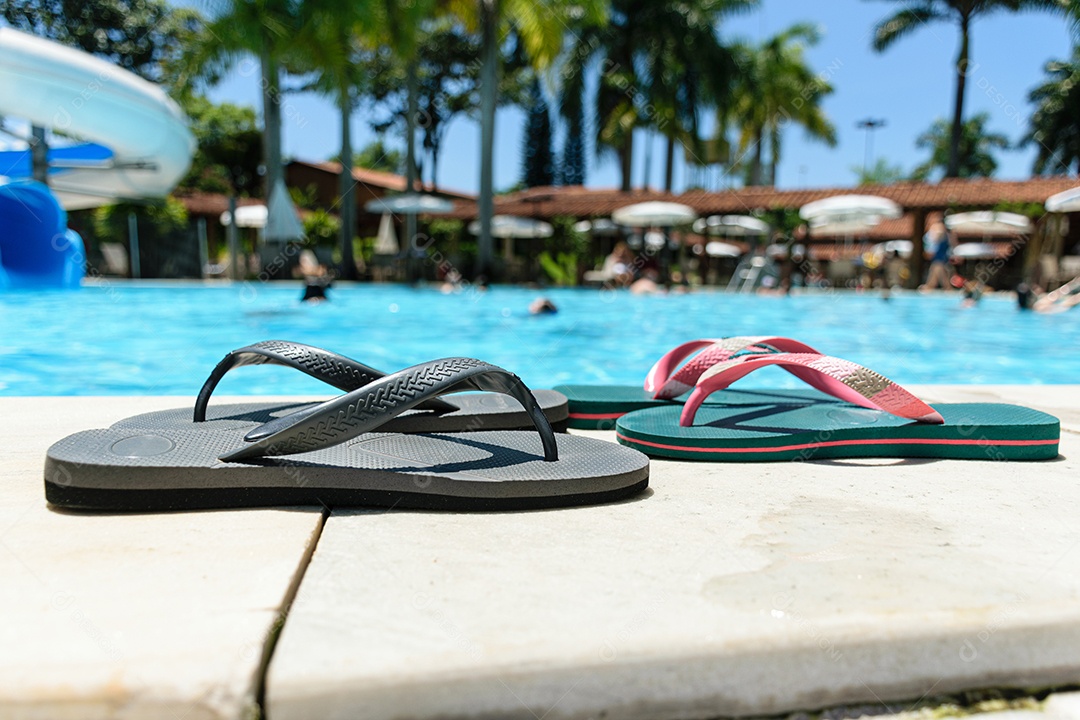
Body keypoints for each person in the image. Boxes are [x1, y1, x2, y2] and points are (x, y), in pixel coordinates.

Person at [921, 222, 954, 290]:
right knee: (936, 270)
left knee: (937, 270)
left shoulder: (941, 236)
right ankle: (931, 285)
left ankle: (943, 286)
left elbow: (934, 247)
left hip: (940, 257)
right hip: (940, 257)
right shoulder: (946, 237)